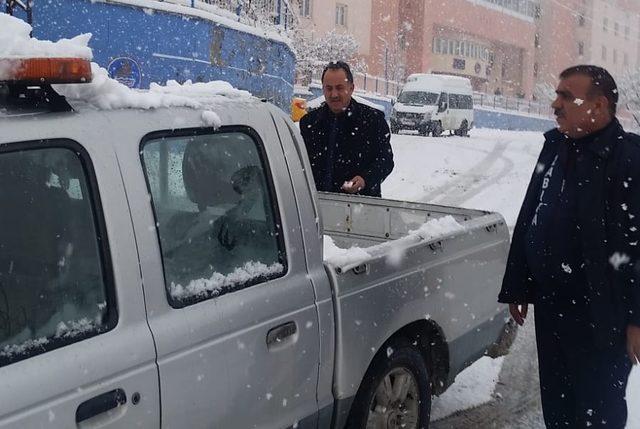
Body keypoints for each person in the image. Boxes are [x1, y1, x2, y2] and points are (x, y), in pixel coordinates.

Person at [498, 65, 640, 428]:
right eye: (557, 94)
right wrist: (518, 283)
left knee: (597, 413)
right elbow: (532, 212)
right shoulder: (556, 146)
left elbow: (635, 246)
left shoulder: (629, 160)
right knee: (558, 410)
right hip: (553, 307)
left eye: (566, 97)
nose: (555, 103)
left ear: (599, 106)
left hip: (602, 316)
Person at [299, 61, 394, 197]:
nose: (334, 94)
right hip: (317, 206)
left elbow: (385, 160)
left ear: (351, 88)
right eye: (329, 88)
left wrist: (364, 179)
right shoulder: (309, 123)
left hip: (361, 207)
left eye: (339, 88)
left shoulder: (373, 121)